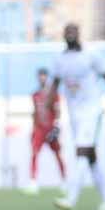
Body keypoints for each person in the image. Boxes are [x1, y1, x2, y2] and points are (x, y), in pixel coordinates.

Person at [50, 23, 105, 210]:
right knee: (90, 157)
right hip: (74, 113)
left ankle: (71, 198)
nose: (70, 34)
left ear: (79, 33)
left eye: (73, 31)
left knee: (81, 152)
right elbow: (54, 85)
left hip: (92, 110)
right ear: (63, 35)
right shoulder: (60, 59)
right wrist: (51, 114)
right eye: (67, 32)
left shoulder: (91, 54)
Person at [26, 67, 66, 195]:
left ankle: (65, 181)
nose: (41, 78)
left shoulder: (53, 94)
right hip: (39, 129)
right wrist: (33, 129)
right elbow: (34, 113)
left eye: (44, 75)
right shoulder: (35, 95)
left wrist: (57, 126)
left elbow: (58, 111)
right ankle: (33, 182)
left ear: (47, 77)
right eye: (40, 75)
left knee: (57, 154)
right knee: (34, 153)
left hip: (51, 129)